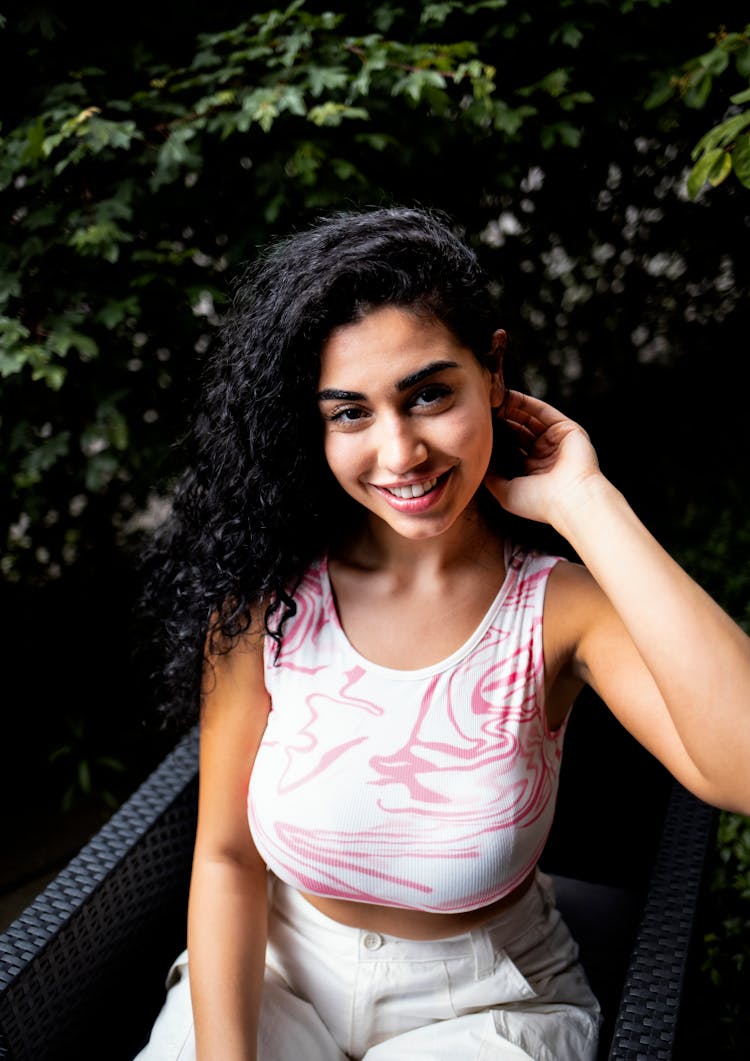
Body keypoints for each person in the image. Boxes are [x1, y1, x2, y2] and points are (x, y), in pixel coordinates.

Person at [135, 205, 750, 1061]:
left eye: (428, 394)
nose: (399, 453)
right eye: (349, 413)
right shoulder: (265, 597)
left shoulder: (559, 609)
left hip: (485, 1006)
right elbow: (230, 857)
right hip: (275, 975)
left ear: (491, 371)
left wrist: (585, 501)